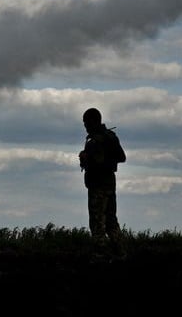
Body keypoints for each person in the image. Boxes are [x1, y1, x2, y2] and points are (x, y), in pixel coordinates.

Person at [78, 107, 127, 260]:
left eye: (86, 123)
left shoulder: (95, 141)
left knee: (97, 223)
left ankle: (101, 256)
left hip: (97, 186)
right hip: (110, 186)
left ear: (93, 121)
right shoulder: (111, 137)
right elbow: (121, 157)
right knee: (111, 221)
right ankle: (120, 253)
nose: (85, 126)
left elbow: (96, 163)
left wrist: (86, 158)